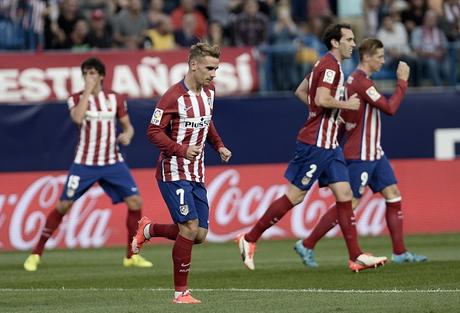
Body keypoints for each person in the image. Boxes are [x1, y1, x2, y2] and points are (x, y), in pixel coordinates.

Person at [237, 24, 388, 272]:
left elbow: (302, 91)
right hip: (316, 144)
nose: (353, 44)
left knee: (345, 196)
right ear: (335, 43)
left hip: (330, 145)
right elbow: (320, 99)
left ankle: (356, 256)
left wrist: (328, 115)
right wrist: (345, 106)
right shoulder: (330, 67)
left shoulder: (326, 64)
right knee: (294, 196)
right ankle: (249, 238)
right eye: (349, 39)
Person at [295, 38, 427, 268]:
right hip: (360, 154)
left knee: (393, 194)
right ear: (366, 56)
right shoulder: (360, 82)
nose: (383, 61)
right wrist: (402, 82)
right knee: (349, 203)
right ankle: (307, 244)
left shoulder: (358, 81)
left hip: (375, 152)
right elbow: (390, 108)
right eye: (380, 56)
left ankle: (400, 252)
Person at [23, 57, 152, 271]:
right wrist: (87, 92)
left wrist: (127, 136)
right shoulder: (76, 98)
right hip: (84, 163)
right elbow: (77, 118)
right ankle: (36, 253)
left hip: (112, 162)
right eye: (86, 73)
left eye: (93, 72)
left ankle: (132, 256)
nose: (88, 76)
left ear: (101, 75)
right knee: (63, 205)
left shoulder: (115, 99)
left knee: (135, 202)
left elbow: (128, 127)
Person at [130, 42, 232, 304]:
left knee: (199, 234)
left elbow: (207, 122)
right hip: (173, 171)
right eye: (210, 68)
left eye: (216, 68)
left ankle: (149, 230)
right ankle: (180, 293)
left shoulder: (209, 92)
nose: (213, 73)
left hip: (197, 172)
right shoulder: (172, 97)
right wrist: (181, 149)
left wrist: (219, 145)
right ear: (193, 65)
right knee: (188, 227)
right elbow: (152, 132)